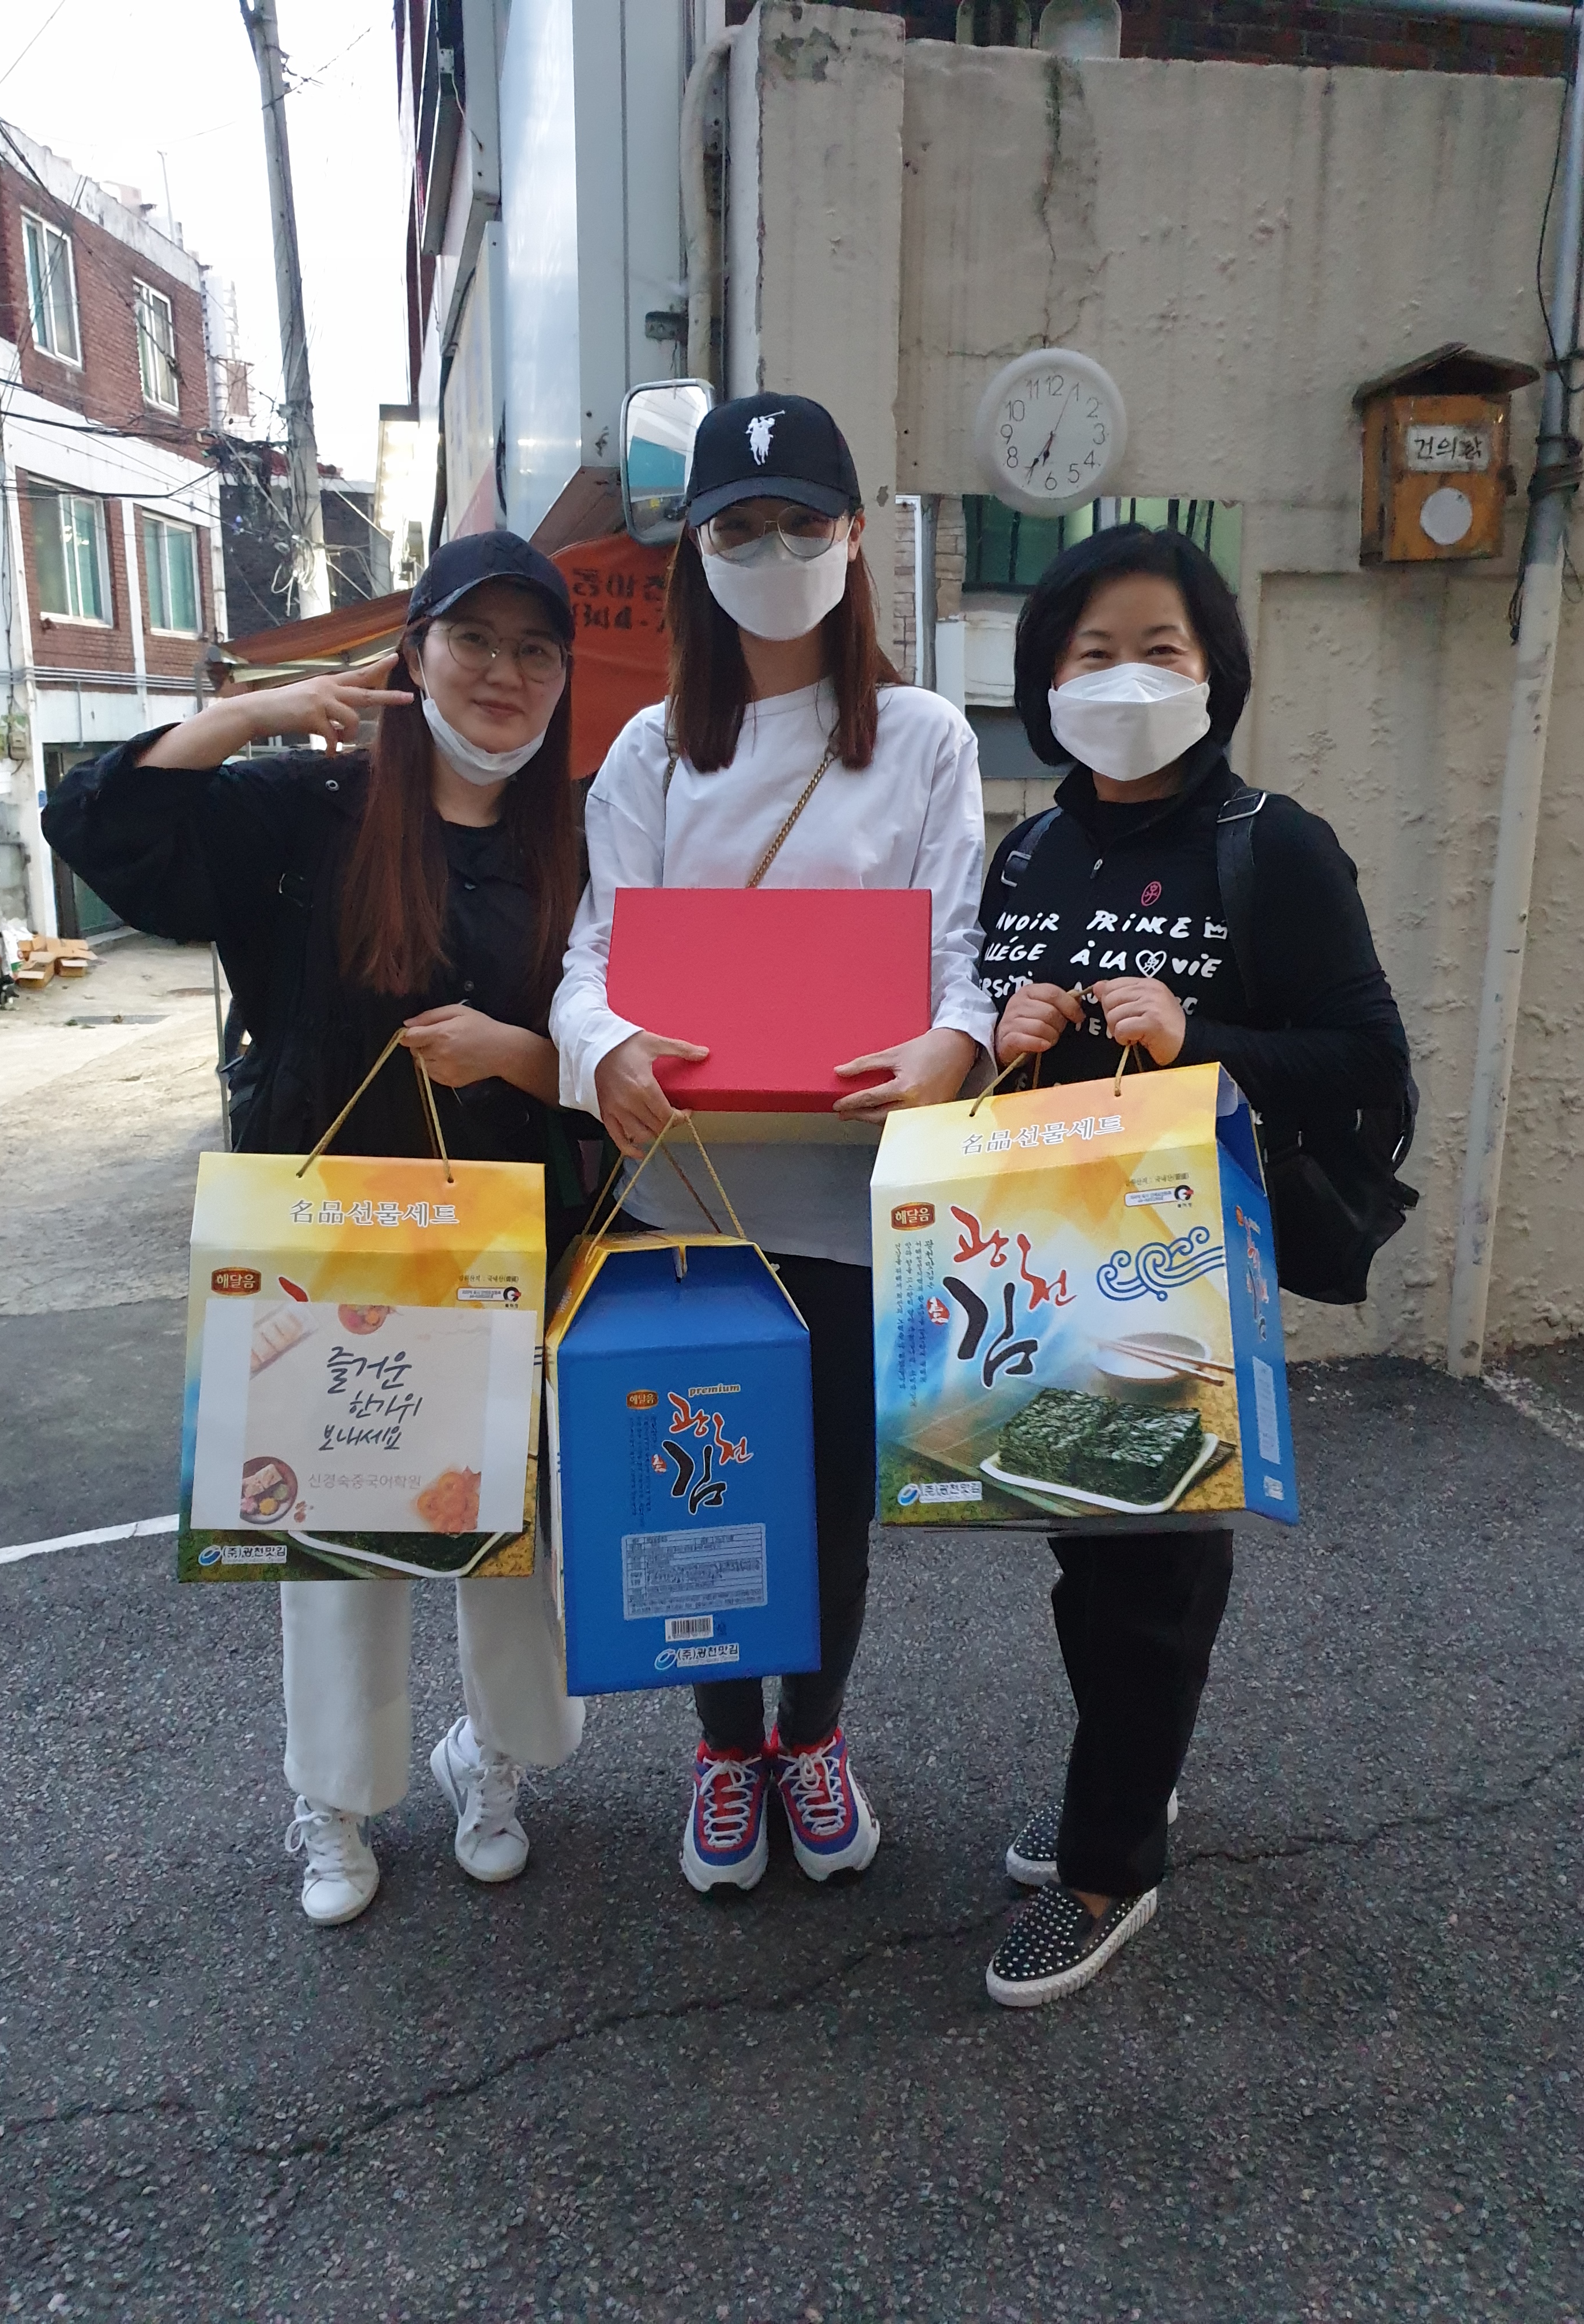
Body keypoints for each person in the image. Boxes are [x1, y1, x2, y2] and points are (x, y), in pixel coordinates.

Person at [42, 531, 592, 1927]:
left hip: (512, 1248)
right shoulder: (304, 810)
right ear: (414, 654)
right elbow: (101, 829)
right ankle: (333, 1800)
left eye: (536, 650)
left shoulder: (578, 842)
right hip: (328, 1242)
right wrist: (253, 715)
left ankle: (497, 1762)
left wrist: (516, 1054)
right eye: (474, 640)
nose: (504, 673)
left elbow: (612, 1057)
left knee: (513, 1538)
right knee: (337, 1539)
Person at [552, 393, 995, 1895]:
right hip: (688, 1197)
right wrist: (604, 1051)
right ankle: (725, 1747)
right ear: (694, 550)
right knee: (701, 1497)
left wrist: (952, 1047)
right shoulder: (649, 752)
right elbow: (590, 963)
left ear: (856, 536)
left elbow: (961, 958)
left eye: (802, 521)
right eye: (736, 527)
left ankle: (813, 1735)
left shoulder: (925, 739)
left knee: (830, 1509)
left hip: (854, 1203)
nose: (772, 550)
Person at [974, 523, 1412, 2008]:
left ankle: (1110, 1868)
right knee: (1081, 1549)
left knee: (1153, 1567)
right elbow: (997, 1066)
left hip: (1186, 1264)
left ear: (1214, 669)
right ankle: (1126, 1775)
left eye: (1160, 647)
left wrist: (1196, 1037)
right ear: (1046, 679)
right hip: (1047, 1259)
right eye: (1092, 651)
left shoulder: (1273, 845)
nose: (1127, 677)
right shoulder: (1030, 849)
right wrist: (1009, 1037)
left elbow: (1369, 1060)